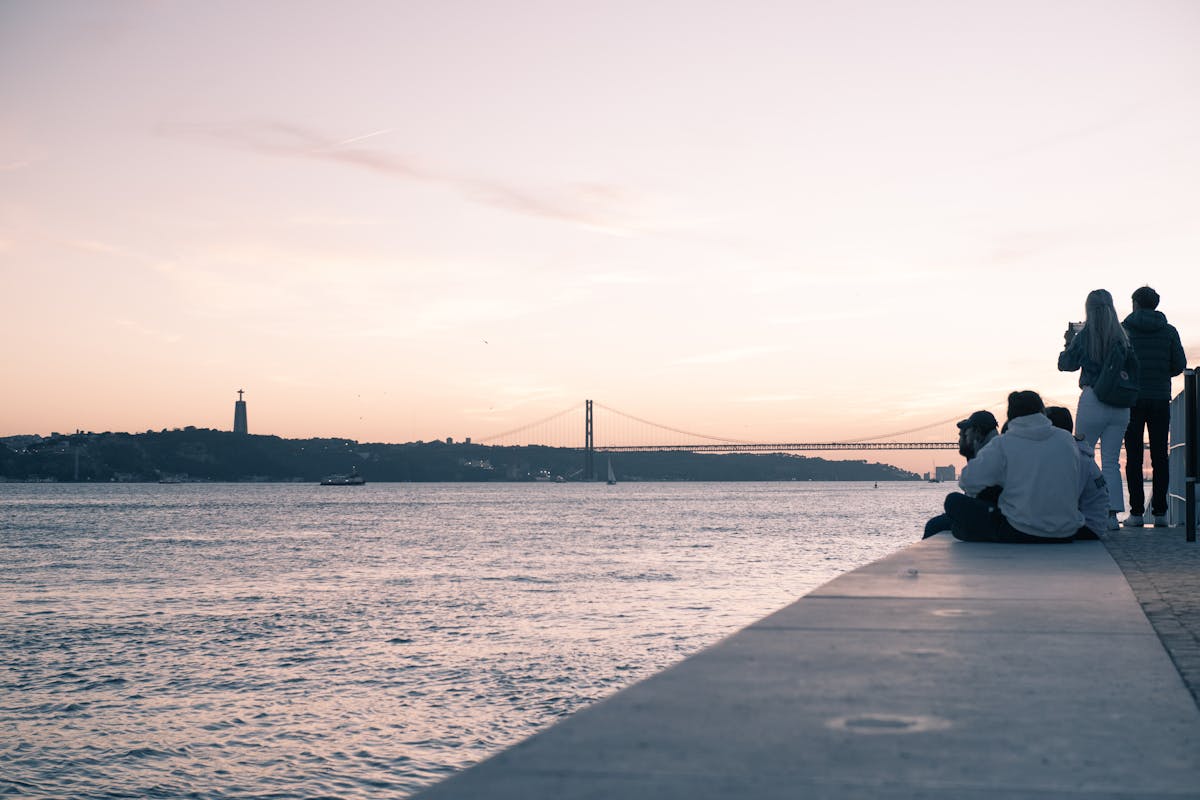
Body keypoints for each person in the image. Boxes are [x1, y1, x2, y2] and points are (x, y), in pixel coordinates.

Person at [933, 391, 1082, 543]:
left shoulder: (1003, 443)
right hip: (1066, 533)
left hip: (1021, 532)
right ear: (1042, 412)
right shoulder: (1066, 439)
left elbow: (967, 481)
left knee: (953, 501)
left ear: (1010, 416)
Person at [1058, 289, 1137, 529]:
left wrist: (1069, 341)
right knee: (1111, 461)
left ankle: (1084, 510)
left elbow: (1065, 364)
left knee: (1083, 457)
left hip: (1094, 401)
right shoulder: (1124, 337)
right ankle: (1112, 516)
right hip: (1121, 406)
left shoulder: (1086, 336)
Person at [1121, 286, 1187, 527]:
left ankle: (1136, 513)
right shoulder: (1169, 331)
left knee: (1134, 455)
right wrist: (1162, 374)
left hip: (1132, 399)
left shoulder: (1124, 330)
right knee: (1160, 455)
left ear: (1135, 303)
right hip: (1160, 397)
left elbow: (1118, 360)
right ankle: (1160, 513)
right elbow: (1179, 364)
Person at [923, 410, 998, 538]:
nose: (960, 440)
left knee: (937, 522)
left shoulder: (990, 454)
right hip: (992, 514)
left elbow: (967, 483)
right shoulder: (987, 451)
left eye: (965, 434)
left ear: (978, 433)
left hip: (994, 517)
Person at [1045, 406, 1108, 540]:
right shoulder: (1075, 451)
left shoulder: (1074, 457)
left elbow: (1068, 496)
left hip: (1088, 526)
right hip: (1092, 522)